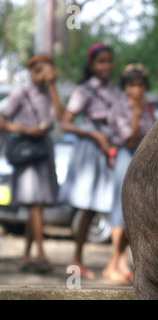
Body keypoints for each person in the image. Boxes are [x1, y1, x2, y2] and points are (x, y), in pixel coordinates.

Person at [58, 43, 120, 280]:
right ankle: (76, 259)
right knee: (88, 205)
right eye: (101, 61)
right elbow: (66, 123)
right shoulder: (84, 90)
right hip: (91, 149)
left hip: (111, 147)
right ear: (92, 65)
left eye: (109, 60)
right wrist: (94, 133)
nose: (106, 65)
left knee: (113, 203)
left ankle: (117, 262)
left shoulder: (116, 90)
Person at [0, 55, 63, 273]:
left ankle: (26, 256)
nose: (43, 74)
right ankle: (41, 255)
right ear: (31, 71)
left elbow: (61, 118)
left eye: (47, 70)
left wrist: (53, 85)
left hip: (43, 152)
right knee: (35, 205)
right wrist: (26, 130)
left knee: (38, 206)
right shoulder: (21, 94)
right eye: (38, 70)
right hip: (27, 153)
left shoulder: (49, 93)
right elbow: (2, 120)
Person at [102, 63, 156, 285]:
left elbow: (153, 134)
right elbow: (130, 137)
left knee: (137, 210)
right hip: (126, 155)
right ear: (125, 87)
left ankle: (125, 263)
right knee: (121, 209)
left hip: (142, 158)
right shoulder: (119, 107)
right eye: (132, 85)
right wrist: (135, 114)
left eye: (141, 85)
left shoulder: (148, 107)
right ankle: (114, 263)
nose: (136, 90)